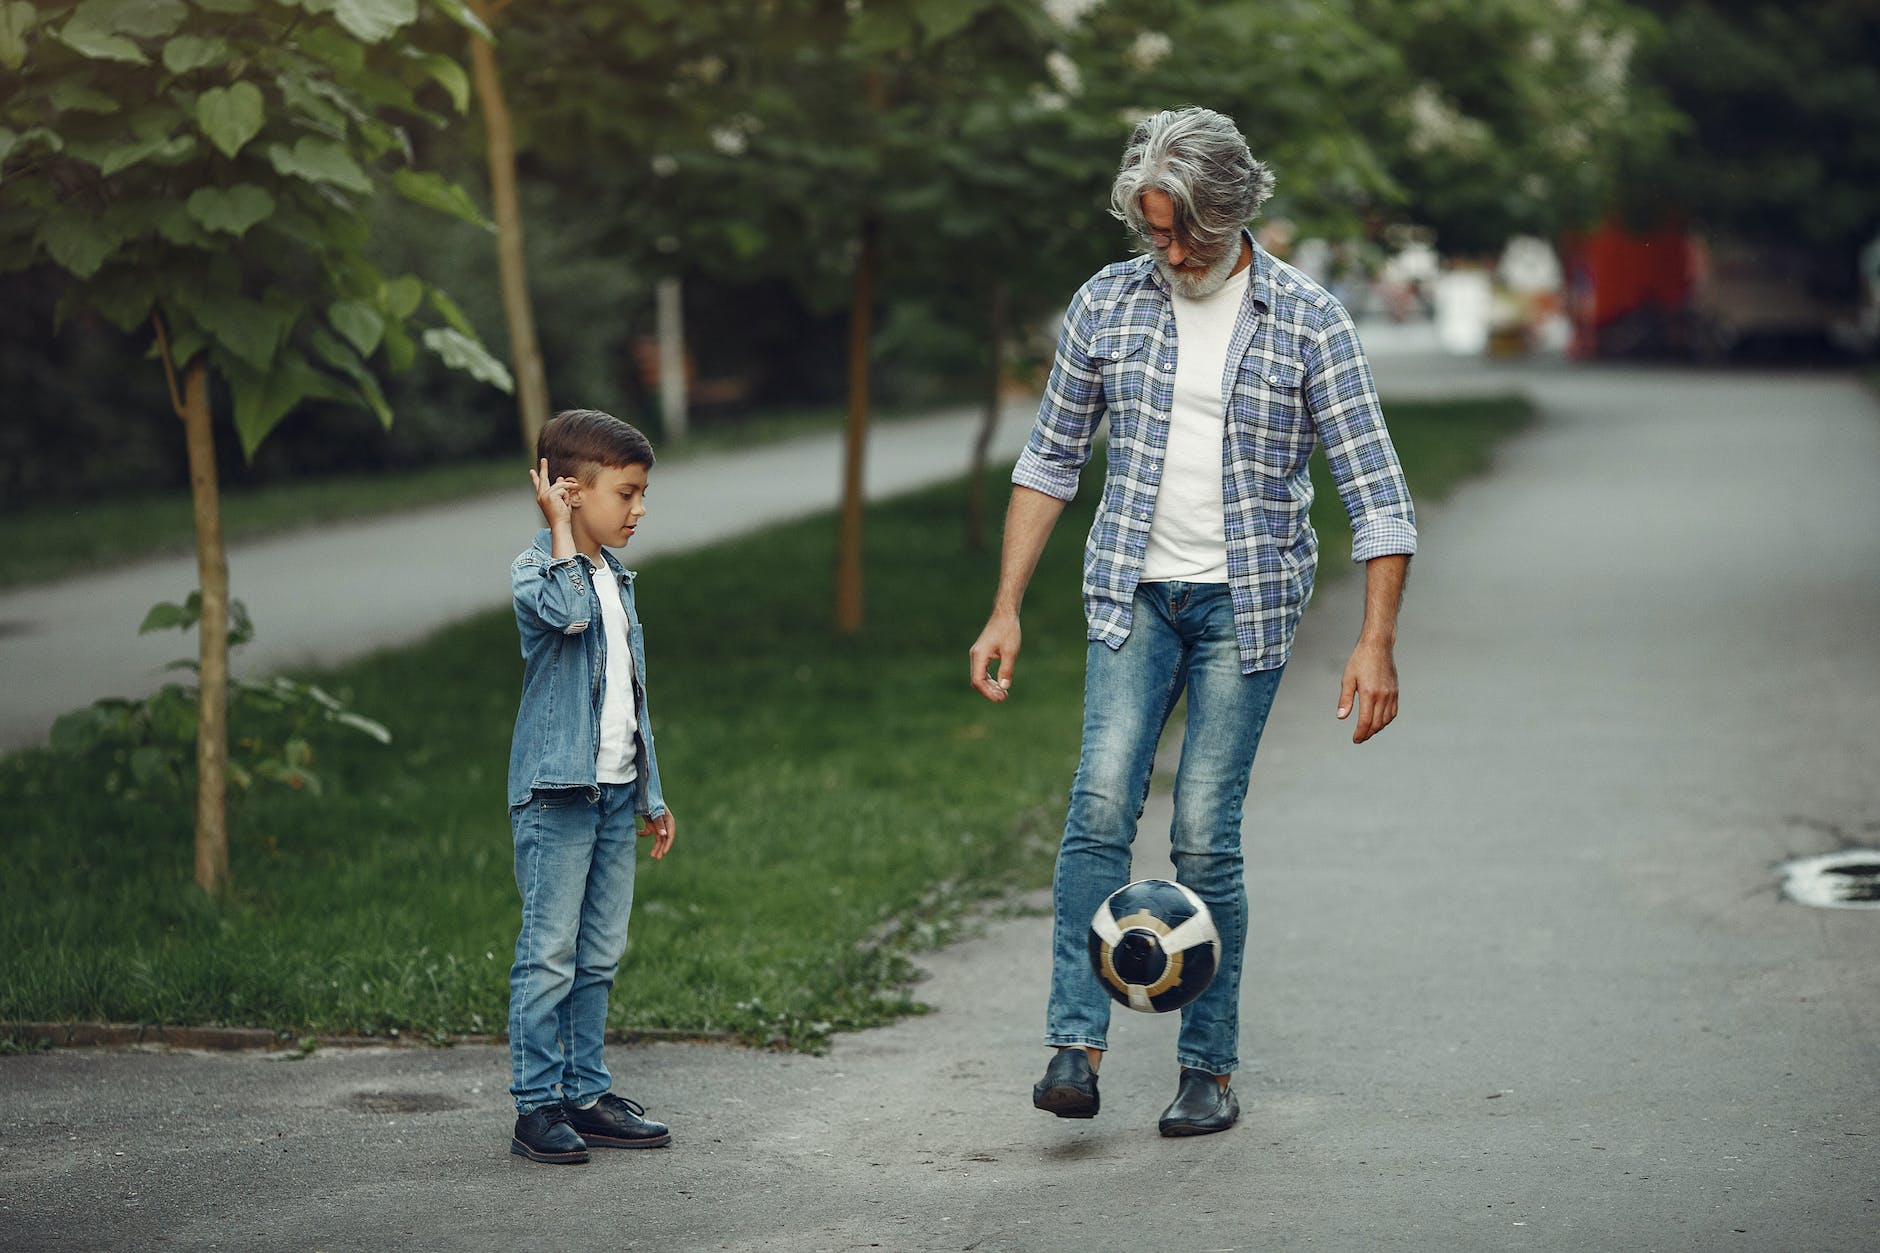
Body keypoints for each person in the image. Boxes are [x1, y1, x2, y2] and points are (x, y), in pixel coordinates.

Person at [967, 108, 1417, 1137]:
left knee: (1204, 836)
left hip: (1242, 606)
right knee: (1097, 805)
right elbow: (1048, 458)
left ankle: (1205, 1069)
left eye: (1187, 234)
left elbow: (1377, 492)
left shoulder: (1306, 320)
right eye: (1153, 231)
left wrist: (1375, 638)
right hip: (1132, 589)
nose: (1168, 252)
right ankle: (1073, 1049)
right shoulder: (1107, 302)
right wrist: (1003, 608)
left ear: (1237, 209)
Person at [505, 408, 678, 1164]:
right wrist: (561, 534)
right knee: (550, 954)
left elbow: (632, 701)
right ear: (569, 493)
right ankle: (536, 1104)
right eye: (627, 493)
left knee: (599, 954)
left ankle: (585, 1090)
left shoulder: (618, 577)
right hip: (558, 799)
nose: (639, 509)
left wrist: (652, 794)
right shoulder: (541, 574)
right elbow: (568, 617)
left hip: (612, 796)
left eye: (643, 494)